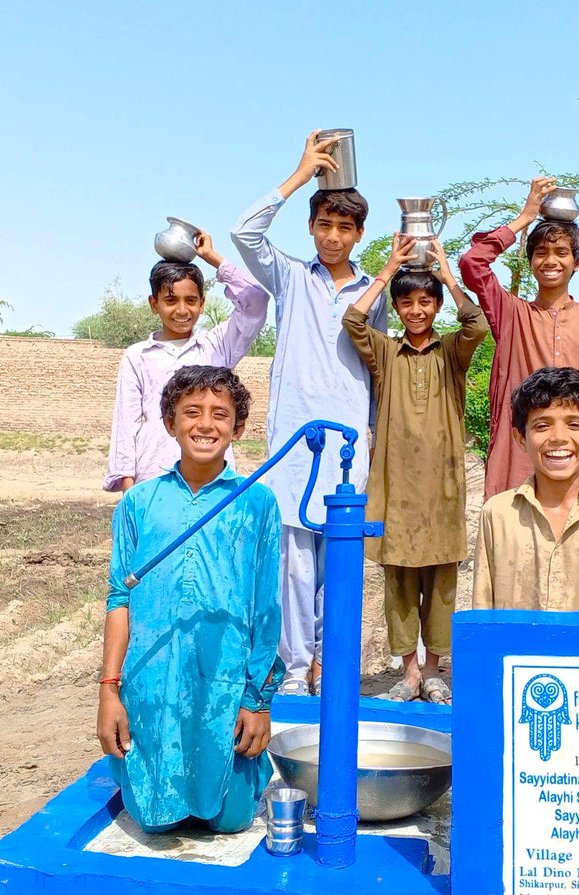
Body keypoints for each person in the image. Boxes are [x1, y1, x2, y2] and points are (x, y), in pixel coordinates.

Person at [232, 131, 387, 696]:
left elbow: (380, 364)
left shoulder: (375, 292)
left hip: (349, 446)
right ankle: (295, 671)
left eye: (344, 227)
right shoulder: (291, 277)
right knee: (294, 568)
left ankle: (331, 664)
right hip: (294, 445)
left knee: (338, 561)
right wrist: (300, 176)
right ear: (311, 227)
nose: (333, 236)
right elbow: (244, 233)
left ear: (359, 233)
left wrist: (376, 435)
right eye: (324, 225)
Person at [97, 365, 282, 833]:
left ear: (238, 427)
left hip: (226, 681)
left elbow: (266, 609)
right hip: (152, 681)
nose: (206, 424)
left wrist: (259, 701)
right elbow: (119, 598)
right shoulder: (138, 503)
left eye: (220, 414)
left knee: (230, 820)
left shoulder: (257, 502)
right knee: (154, 821)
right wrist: (109, 691)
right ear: (170, 423)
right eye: (192, 412)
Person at [342, 236, 488, 702]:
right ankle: (408, 674)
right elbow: (353, 320)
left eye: (426, 301)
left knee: (442, 585)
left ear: (437, 305)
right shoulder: (387, 353)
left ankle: (433, 671)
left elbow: (478, 324)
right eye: (406, 303)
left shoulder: (452, 352)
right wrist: (388, 270)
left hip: (442, 490)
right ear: (397, 308)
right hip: (397, 491)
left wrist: (447, 275)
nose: (416, 310)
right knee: (400, 584)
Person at [458, 177, 579, 500]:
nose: (550, 261)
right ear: (530, 261)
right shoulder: (512, 314)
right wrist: (525, 217)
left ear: (577, 263)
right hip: (520, 458)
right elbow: (472, 263)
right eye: (541, 253)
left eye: (561, 252)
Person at [103, 232, 268, 492]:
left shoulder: (218, 346)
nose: (181, 310)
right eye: (171, 301)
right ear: (154, 304)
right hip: (154, 477)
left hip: (214, 482)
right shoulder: (138, 356)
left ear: (202, 303)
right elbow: (126, 425)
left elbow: (256, 301)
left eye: (190, 301)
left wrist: (212, 258)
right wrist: (128, 489)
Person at [473, 366, 579, 612]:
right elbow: (482, 612)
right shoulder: (497, 515)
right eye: (542, 426)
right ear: (521, 439)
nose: (558, 437)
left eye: (574, 424)